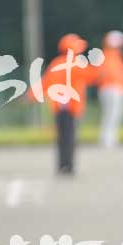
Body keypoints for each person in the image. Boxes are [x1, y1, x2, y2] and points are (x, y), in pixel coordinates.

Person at [39, 33, 99, 175]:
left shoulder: (56, 63)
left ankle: (62, 165)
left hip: (58, 107)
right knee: (70, 138)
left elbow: (44, 83)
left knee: (61, 138)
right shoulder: (76, 63)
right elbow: (93, 76)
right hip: (71, 107)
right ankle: (69, 165)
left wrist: (30, 96)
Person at [97, 30, 123, 149]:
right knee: (112, 115)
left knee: (112, 115)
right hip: (113, 89)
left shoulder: (113, 56)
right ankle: (108, 140)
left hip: (112, 88)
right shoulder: (109, 56)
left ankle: (109, 139)